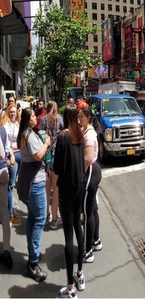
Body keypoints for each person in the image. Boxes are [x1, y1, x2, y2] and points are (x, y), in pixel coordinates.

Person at [53, 106, 87, 298]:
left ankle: (70, 287)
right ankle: (80, 274)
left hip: (67, 187)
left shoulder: (63, 136)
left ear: (66, 117)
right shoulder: (79, 134)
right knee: (78, 228)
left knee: (68, 235)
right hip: (80, 185)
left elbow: (57, 168)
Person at [16, 107, 51, 282]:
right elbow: (38, 155)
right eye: (32, 116)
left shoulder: (24, 134)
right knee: (39, 220)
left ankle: (32, 254)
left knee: (32, 218)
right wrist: (46, 143)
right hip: (35, 184)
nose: (35, 118)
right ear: (26, 119)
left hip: (28, 182)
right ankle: (33, 262)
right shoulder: (29, 135)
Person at [78, 108, 102, 264]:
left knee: (87, 213)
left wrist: (81, 174)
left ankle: (87, 251)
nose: (79, 119)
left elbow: (87, 158)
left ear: (88, 117)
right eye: (79, 116)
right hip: (92, 171)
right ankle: (96, 240)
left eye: (81, 116)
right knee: (92, 209)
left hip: (90, 171)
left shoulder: (90, 134)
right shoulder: (85, 130)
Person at [40, 100, 64, 230]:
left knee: (46, 188)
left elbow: (40, 135)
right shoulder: (59, 119)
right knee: (55, 189)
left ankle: (45, 216)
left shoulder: (43, 119)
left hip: (45, 155)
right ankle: (54, 219)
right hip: (56, 156)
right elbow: (64, 135)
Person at [1, 101, 22, 226]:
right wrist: (11, 154)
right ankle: (10, 215)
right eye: (11, 112)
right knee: (11, 185)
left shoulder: (17, 124)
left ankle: (11, 209)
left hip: (20, 154)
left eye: (15, 112)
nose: (13, 114)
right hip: (11, 156)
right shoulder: (5, 125)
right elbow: (6, 143)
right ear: (8, 113)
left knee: (15, 183)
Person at [0, 120, 15, 268]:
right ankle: (6, 249)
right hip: (3, 171)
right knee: (4, 211)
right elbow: (6, 149)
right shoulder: (3, 130)